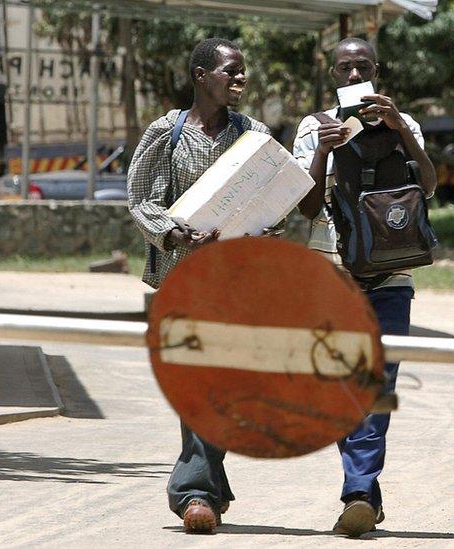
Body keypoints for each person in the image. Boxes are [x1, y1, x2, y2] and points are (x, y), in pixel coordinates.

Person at [292, 37, 438, 538]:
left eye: (363, 67)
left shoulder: (404, 122)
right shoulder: (314, 128)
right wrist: (324, 155)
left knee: (377, 386)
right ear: (332, 74)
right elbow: (307, 208)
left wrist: (402, 130)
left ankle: (357, 493)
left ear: (377, 69)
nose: (355, 76)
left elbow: (431, 184)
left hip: (393, 276)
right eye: (345, 68)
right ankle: (366, 495)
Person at [126, 37, 270, 535]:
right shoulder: (167, 133)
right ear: (201, 74)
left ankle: (205, 484)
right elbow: (141, 200)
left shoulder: (253, 136)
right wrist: (175, 232)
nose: (240, 79)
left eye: (243, 71)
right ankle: (195, 493)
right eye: (230, 71)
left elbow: (271, 206)